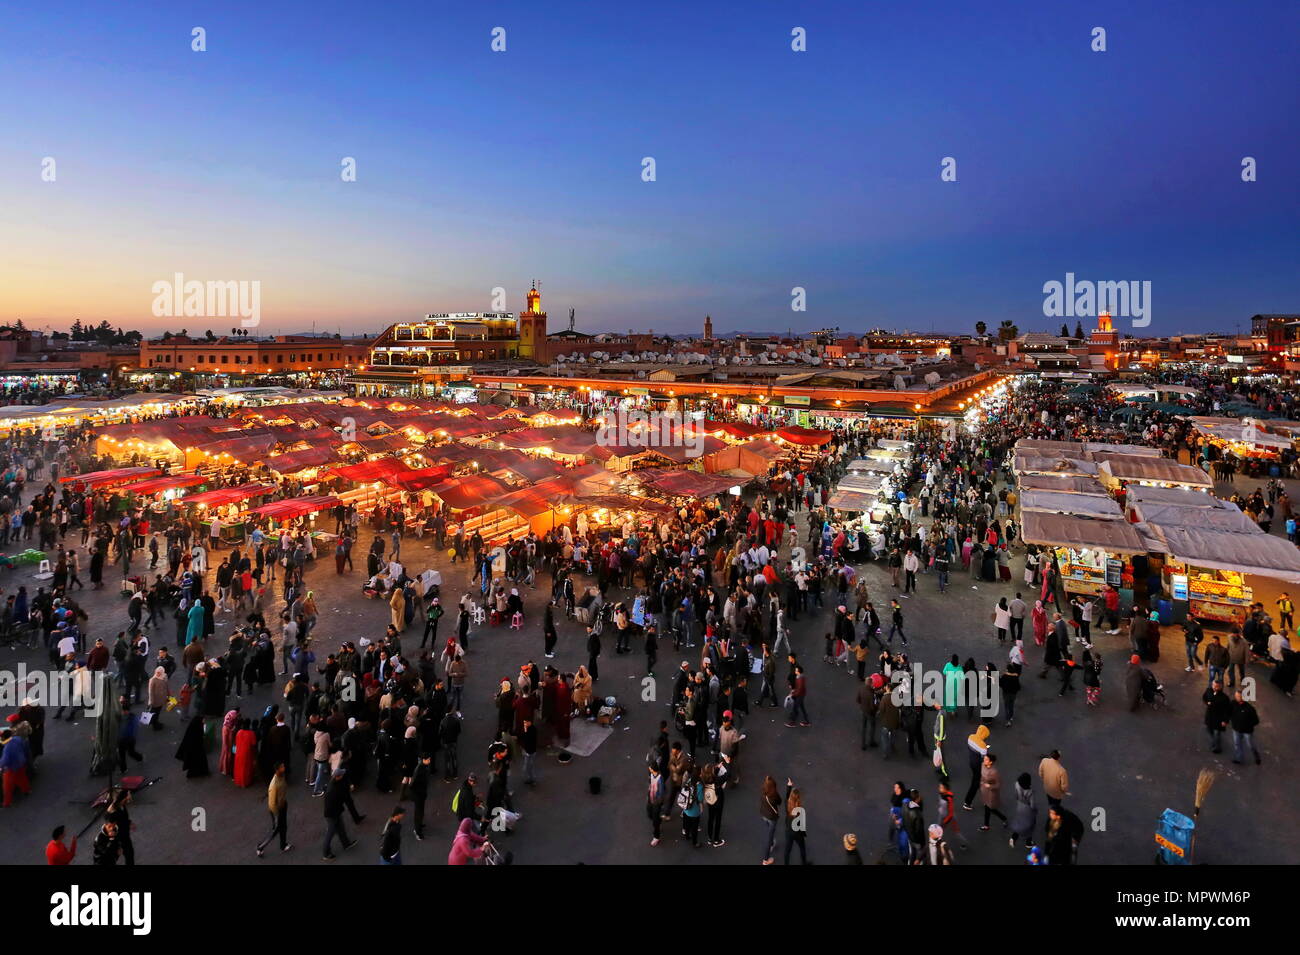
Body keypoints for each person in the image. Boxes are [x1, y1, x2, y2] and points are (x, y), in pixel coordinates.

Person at [256, 763, 291, 857]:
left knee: (283, 827)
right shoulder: (274, 784)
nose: (284, 768)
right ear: (277, 770)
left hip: (283, 806)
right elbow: (271, 803)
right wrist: (277, 815)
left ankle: (283, 845)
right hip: (277, 810)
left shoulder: (281, 776)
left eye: (284, 766)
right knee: (276, 830)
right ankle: (260, 847)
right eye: (282, 767)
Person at [1230, 690, 1261, 765]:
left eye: (1239, 696)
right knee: (1237, 744)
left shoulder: (1250, 709)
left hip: (1247, 731)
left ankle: (1256, 755)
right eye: (1236, 696)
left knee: (1250, 745)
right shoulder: (1233, 703)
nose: (1237, 697)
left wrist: (1247, 725)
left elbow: (1256, 721)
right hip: (1236, 729)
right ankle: (1239, 758)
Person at [783, 778, 808, 865]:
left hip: (788, 831)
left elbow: (786, 797)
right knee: (802, 848)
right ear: (798, 799)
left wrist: (789, 786)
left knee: (787, 850)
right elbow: (802, 825)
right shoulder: (800, 810)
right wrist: (803, 834)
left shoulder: (787, 804)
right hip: (797, 833)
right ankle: (804, 862)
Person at [1203, 680, 1231, 754]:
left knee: (1217, 733)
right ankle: (1215, 742)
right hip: (1209, 716)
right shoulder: (1208, 690)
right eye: (1213, 685)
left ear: (1221, 687)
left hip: (1219, 718)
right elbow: (1204, 697)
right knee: (1209, 730)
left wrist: (1225, 720)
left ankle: (1217, 748)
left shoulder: (1225, 698)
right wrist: (1207, 703)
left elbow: (1227, 710)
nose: (1214, 687)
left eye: (1216, 686)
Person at [760, 774, 782, 865]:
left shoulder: (763, 791)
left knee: (769, 831)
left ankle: (772, 843)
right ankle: (765, 860)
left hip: (763, 814)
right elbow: (780, 802)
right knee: (769, 837)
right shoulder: (774, 795)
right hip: (772, 817)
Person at [647, 764, 667, 847]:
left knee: (655, 821)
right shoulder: (651, 775)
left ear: (653, 769)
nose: (649, 768)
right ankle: (658, 821)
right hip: (651, 800)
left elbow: (661, 793)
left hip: (656, 803)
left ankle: (656, 837)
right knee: (649, 814)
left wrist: (657, 802)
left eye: (650, 768)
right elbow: (651, 784)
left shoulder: (660, 779)